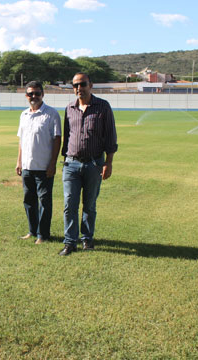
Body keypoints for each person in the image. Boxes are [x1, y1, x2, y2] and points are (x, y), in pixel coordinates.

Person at [59, 72, 118, 256]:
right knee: (70, 204)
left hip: (94, 164)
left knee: (89, 205)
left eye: (82, 84)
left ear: (90, 85)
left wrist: (108, 163)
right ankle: (70, 242)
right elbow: (67, 136)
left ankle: (87, 239)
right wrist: (64, 160)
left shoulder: (103, 107)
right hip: (71, 164)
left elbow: (110, 136)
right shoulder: (69, 108)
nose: (78, 88)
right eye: (75, 85)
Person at [16, 81, 62, 244]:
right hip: (27, 166)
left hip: (44, 167)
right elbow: (22, 140)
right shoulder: (24, 115)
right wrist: (19, 161)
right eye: (30, 94)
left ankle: (43, 234)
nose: (33, 96)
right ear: (26, 96)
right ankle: (32, 231)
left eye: (36, 93)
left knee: (44, 201)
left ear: (43, 94)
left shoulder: (51, 114)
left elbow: (57, 139)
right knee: (29, 200)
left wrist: (52, 163)